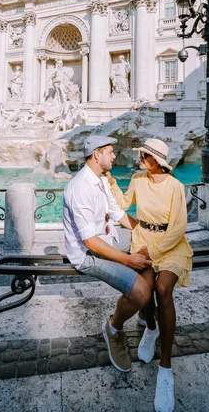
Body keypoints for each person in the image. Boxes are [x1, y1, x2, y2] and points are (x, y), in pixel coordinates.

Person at [106, 138, 193, 412]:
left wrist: (154, 252)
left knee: (163, 290)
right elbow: (123, 202)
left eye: (145, 156)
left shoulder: (176, 186)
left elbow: (178, 228)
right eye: (142, 155)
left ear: (158, 161)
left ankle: (165, 368)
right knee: (144, 293)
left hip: (171, 246)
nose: (140, 158)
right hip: (142, 240)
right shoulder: (137, 179)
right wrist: (109, 180)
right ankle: (151, 329)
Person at [63, 135, 153, 373]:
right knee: (142, 290)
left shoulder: (101, 180)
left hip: (108, 240)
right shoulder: (80, 187)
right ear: (96, 155)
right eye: (110, 152)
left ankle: (145, 311)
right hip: (88, 255)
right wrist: (128, 259)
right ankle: (113, 328)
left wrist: (144, 234)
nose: (114, 156)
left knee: (151, 252)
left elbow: (118, 214)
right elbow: (90, 241)